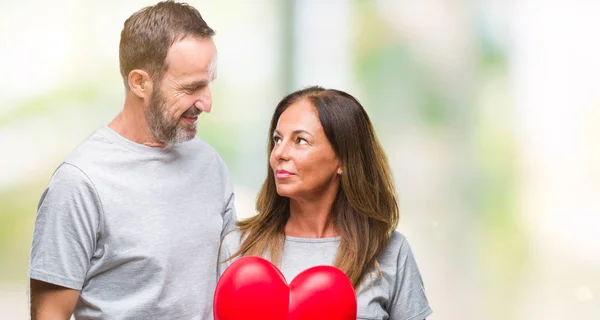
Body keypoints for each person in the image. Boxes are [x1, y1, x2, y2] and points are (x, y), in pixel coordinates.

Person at [28, 1, 236, 319]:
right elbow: (50, 315)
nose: (206, 102)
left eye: (208, 83)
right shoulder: (80, 182)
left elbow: (229, 289)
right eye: (191, 87)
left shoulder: (210, 164)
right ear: (140, 82)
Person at [219, 86, 432, 319]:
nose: (279, 152)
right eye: (277, 139)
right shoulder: (238, 247)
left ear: (343, 159)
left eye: (300, 140)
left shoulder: (389, 250)